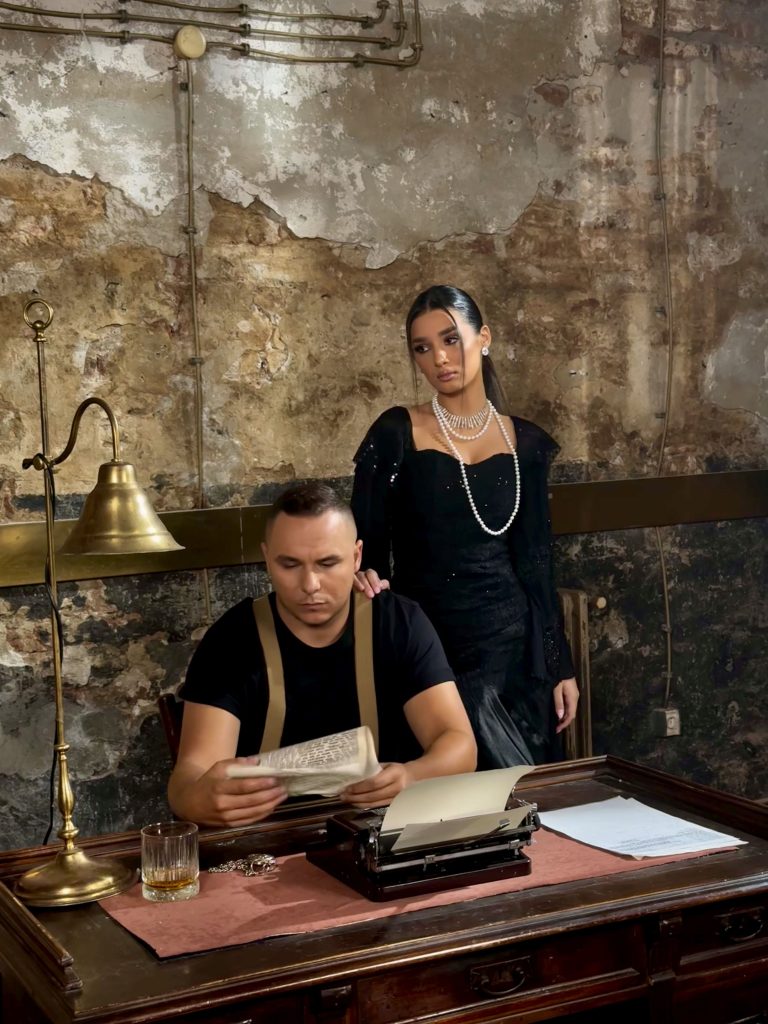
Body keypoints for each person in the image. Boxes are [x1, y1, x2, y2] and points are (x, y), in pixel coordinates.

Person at [351, 285, 578, 769]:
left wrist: (560, 665)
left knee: (523, 794)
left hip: (512, 651)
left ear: (484, 338)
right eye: (422, 347)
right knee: (446, 793)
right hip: (429, 648)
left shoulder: (525, 443)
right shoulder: (395, 433)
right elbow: (364, 553)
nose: (439, 358)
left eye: (450, 339)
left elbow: (537, 565)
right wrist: (364, 579)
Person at [168, 481, 476, 827]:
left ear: (356, 556)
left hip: (379, 831)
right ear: (267, 558)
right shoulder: (233, 639)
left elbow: (459, 745)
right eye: (289, 565)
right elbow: (188, 776)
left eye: (328, 563)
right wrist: (197, 800)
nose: (310, 585)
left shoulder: (397, 623)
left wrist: (411, 776)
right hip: (268, 840)